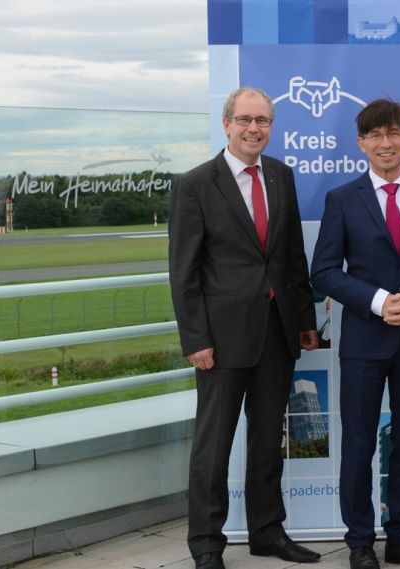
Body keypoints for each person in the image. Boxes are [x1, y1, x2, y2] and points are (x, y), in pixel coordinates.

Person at [169, 87, 320, 569]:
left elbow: (292, 256)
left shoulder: (281, 175)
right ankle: (206, 543)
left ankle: (267, 532)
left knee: (267, 442)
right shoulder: (194, 184)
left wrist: (306, 321)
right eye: (245, 120)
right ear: (227, 123)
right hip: (220, 338)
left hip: (278, 331)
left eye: (263, 121)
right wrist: (196, 340)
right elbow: (184, 273)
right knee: (213, 448)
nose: (254, 129)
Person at [310, 99, 400, 569]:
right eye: (375, 135)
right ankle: (359, 541)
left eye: (395, 133)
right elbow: (325, 272)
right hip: (364, 342)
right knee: (358, 443)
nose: (386, 143)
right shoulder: (342, 198)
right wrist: (378, 301)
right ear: (361, 144)